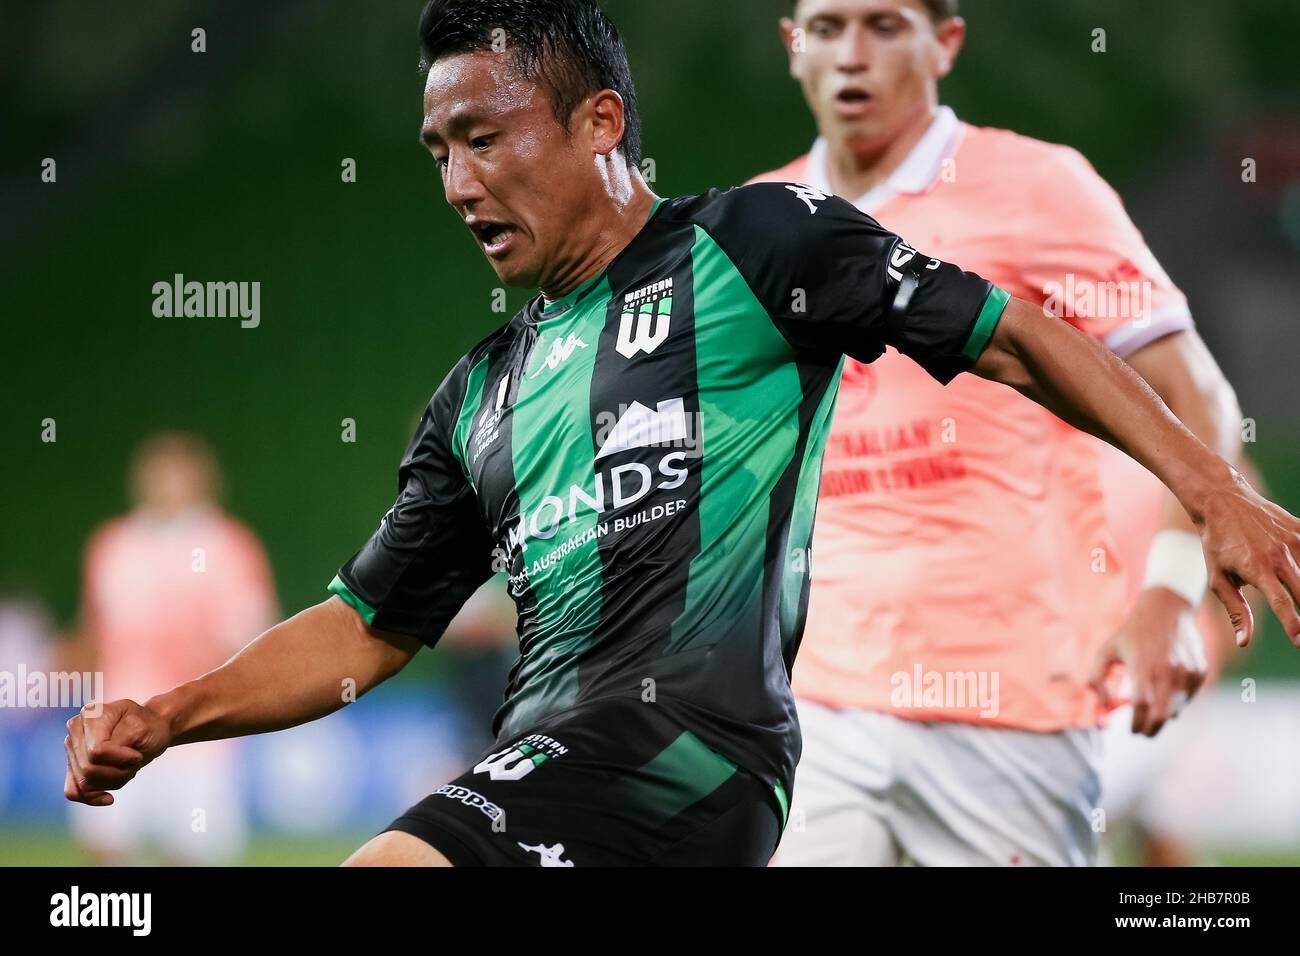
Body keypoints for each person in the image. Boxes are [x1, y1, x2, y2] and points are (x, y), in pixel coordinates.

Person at [63, 0, 1300, 868]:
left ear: (600, 122)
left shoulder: (756, 246)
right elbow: (365, 628)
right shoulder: (477, 395)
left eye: (486, 138)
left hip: (694, 751)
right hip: (567, 764)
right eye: (440, 151)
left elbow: (1017, 334)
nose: (457, 183)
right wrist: (169, 714)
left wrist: (1213, 498)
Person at [749, 0, 1244, 866]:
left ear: (946, 42)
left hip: (1013, 701)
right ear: (794, 45)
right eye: (826, 28)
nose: (852, 55)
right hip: (816, 700)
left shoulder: (1040, 185)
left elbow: (1195, 394)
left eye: (885, 26)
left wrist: (1169, 589)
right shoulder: (754, 222)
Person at [68, 432, 277, 865]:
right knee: (107, 842)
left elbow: (254, 638)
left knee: (192, 848)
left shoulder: (228, 546)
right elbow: (93, 632)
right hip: (116, 720)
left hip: (196, 727)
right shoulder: (113, 545)